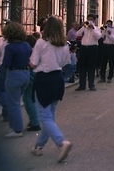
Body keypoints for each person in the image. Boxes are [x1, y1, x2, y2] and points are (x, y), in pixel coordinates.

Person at [30, 16, 73, 161]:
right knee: (50, 116)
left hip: (44, 80)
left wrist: (30, 63)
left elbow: (34, 63)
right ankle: (39, 146)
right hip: (57, 79)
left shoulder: (41, 43)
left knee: (45, 116)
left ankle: (62, 142)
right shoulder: (64, 44)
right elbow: (65, 62)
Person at [2, 22, 31, 137]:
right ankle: (14, 127)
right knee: (16, 102)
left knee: (13, 103)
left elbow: (6, 64)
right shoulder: (26, 45)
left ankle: (17, 129)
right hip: (26, 73)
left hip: (14, 74)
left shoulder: (10, 47)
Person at [74, 14, 101, 91]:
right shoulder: (84, 28)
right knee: (82, 67)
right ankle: (82, 85)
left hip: (92, 48)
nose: (89, 21)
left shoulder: (97, 29)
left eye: (91, 19)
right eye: (88, 19)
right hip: (84, 48)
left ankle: (91, 85)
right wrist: (83, 27)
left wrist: (92, 29)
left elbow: (98, 37)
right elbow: (77, 34)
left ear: (94, 21)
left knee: (91, 67)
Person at [23, 34, 41, 132]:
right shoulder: (35, 51)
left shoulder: (30, 52)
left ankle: (35, 122)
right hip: (35, 75)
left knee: (28, 99)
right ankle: (33, 120)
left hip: (31, 75)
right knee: (30, 98)